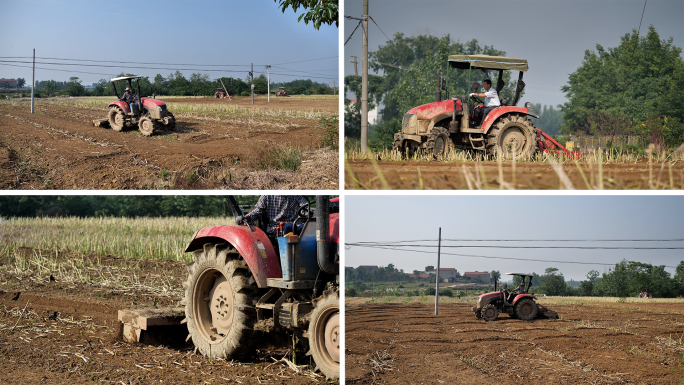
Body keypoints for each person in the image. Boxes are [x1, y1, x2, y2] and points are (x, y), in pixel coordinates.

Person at [236, 195, 309, 239]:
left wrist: (314, 214)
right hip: (276, 227)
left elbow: (305, 209)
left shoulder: (297, 195)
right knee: (288, 227)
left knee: (307, 228)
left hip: (295, 224)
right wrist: (246, 217)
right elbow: (258, 210)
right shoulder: (267, 195)